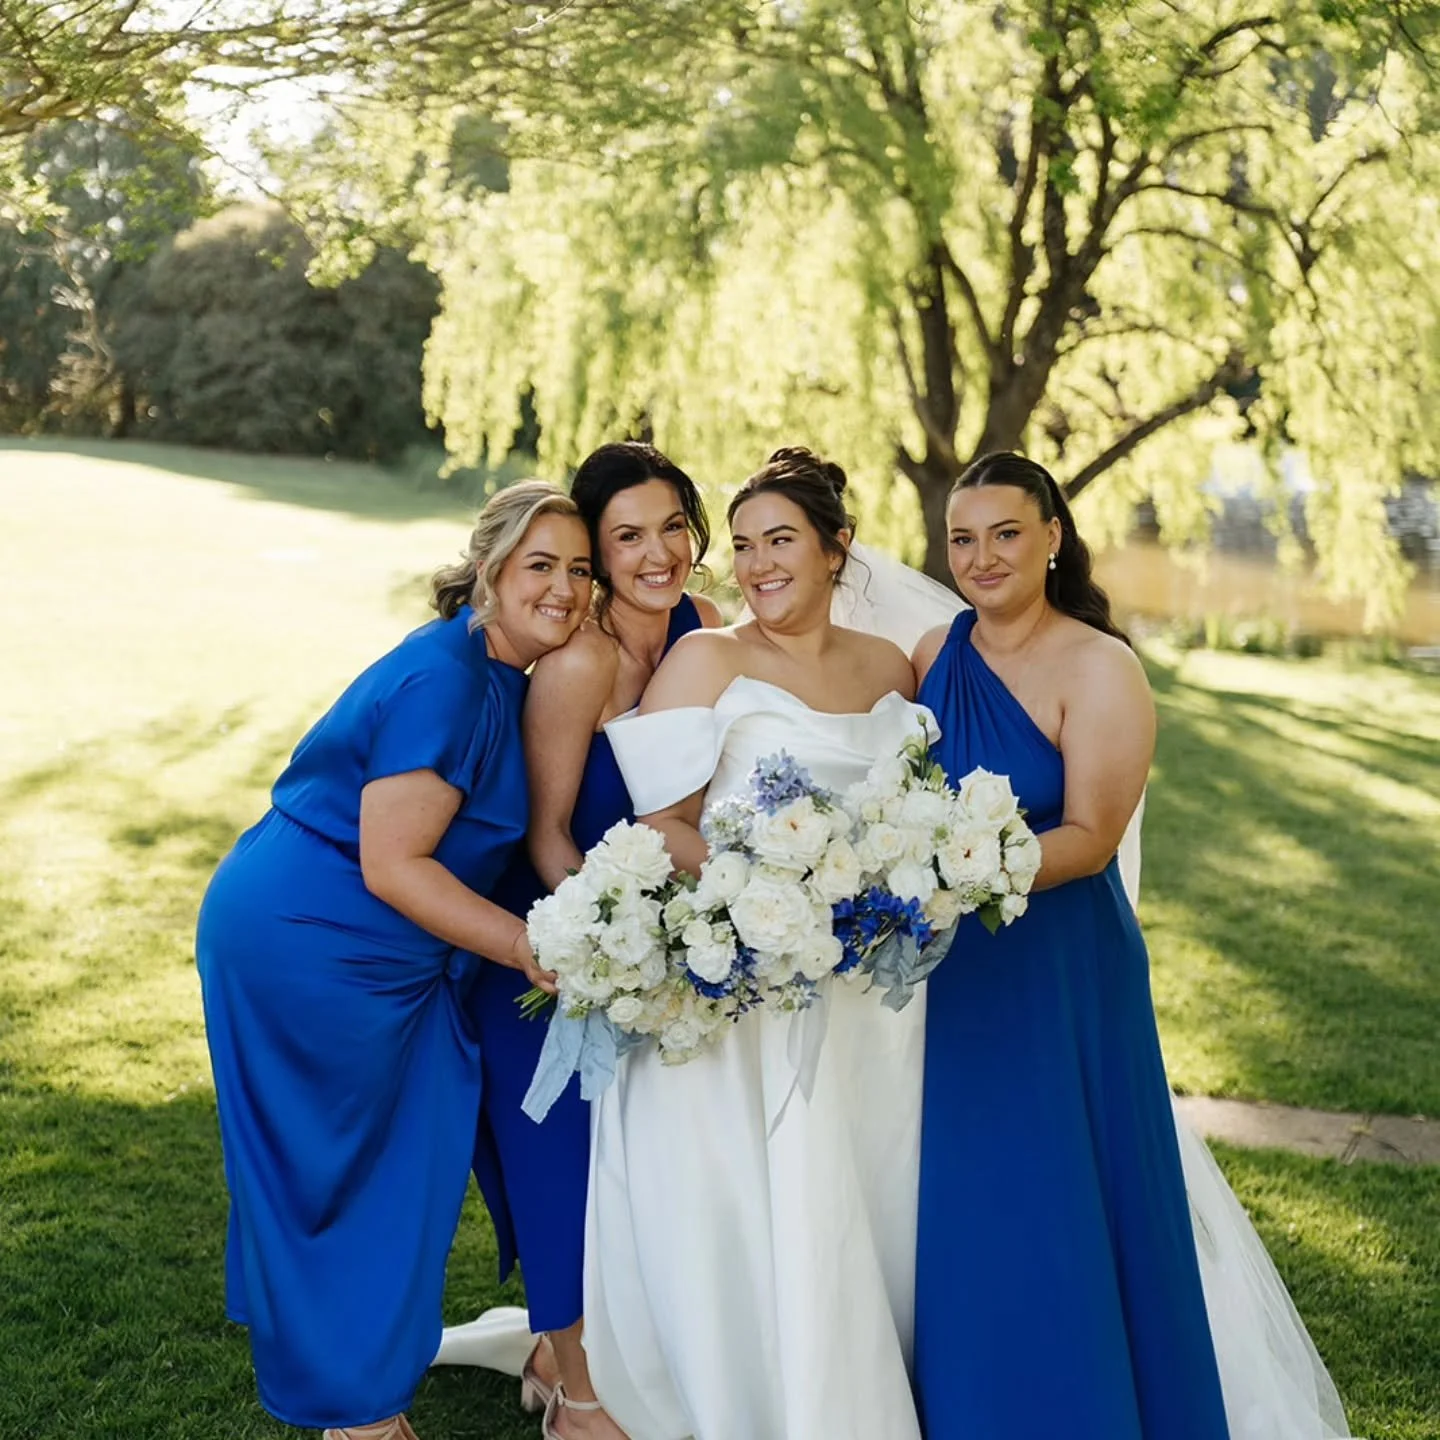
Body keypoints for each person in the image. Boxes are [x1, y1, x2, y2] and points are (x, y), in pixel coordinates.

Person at [195, 481, 591, 1440]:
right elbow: (392, 862)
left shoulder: (500, 667)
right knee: (341, 1177)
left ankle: (365, 1396)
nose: (565, 588)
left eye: (580, 570)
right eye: (540, 564)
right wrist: (526, 947)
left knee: (400, 1167)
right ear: (489, 570)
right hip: (312, 942)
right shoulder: (448, 681)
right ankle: (358, 1415)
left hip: (388, 956)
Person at [582, 447, 934, 1440]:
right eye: (742, 546)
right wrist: (773, 901)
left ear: (837, 550)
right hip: (753, 982)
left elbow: (912, 814)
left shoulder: (890, 668)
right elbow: (662, 823)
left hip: (871, 995)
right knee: (756, 1198)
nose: (757, 565)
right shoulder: (709, 660)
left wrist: (872, 894)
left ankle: (865, 1374)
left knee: (864, 1189)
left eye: (781, 541)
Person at [910, 451, 1232, 1439]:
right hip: (956, 974)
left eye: (1006, 534)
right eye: (963, 539)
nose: (982, 557)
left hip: (1062, 973)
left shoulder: (1101, 667)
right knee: (973, 1201)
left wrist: (954, 872)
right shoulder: (929, 654)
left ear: (1052, 537)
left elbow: (1091, 837)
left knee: (1066, 1199)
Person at [460, 442, 720, 1440]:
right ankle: (576, 1397)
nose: (657, 554)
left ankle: (566, 1351)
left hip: (653, 943)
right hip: (550, 945)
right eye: (628, 537)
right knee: (560, 1165)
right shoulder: (580, 664)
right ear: (598, 555)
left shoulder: (704, 631)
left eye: (672, 528)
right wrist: (613, 947)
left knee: (643, 1172)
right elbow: (547, 837)